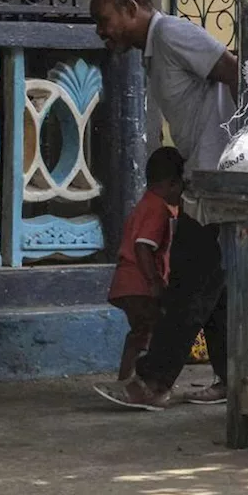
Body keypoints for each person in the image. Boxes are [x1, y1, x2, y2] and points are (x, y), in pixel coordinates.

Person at [89, 0, 240, 410]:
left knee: (190, 279)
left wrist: (246, 141)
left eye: (106, 19)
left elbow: (232, 68)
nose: (102, 30)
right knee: (212, 282)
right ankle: (233, 377)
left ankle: (153, 383)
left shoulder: (172, 34)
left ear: (132, 6)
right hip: (207, 171)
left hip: (215, 175)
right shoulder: (156, 50)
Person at [107, 147, 185, 381]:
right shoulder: (157, 209)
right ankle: (136, 380)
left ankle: (127, 378)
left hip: (127, 282)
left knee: (141, 333)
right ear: (172, 184)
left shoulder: (145, 204)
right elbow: (143, 246)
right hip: (139, 284)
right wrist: (155, 283)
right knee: (151, 332)